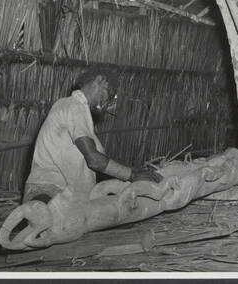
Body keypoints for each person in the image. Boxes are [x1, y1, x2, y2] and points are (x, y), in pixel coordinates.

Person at [23, 67, 162, 204]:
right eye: (110, 92)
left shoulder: (76, 109)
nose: (108, 102)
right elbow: (95, 160)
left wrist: (135, 170)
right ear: (100, 80)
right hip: (50, 192)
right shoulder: (74, 106)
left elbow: (100, 158)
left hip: (60, 193)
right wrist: (132, 175)